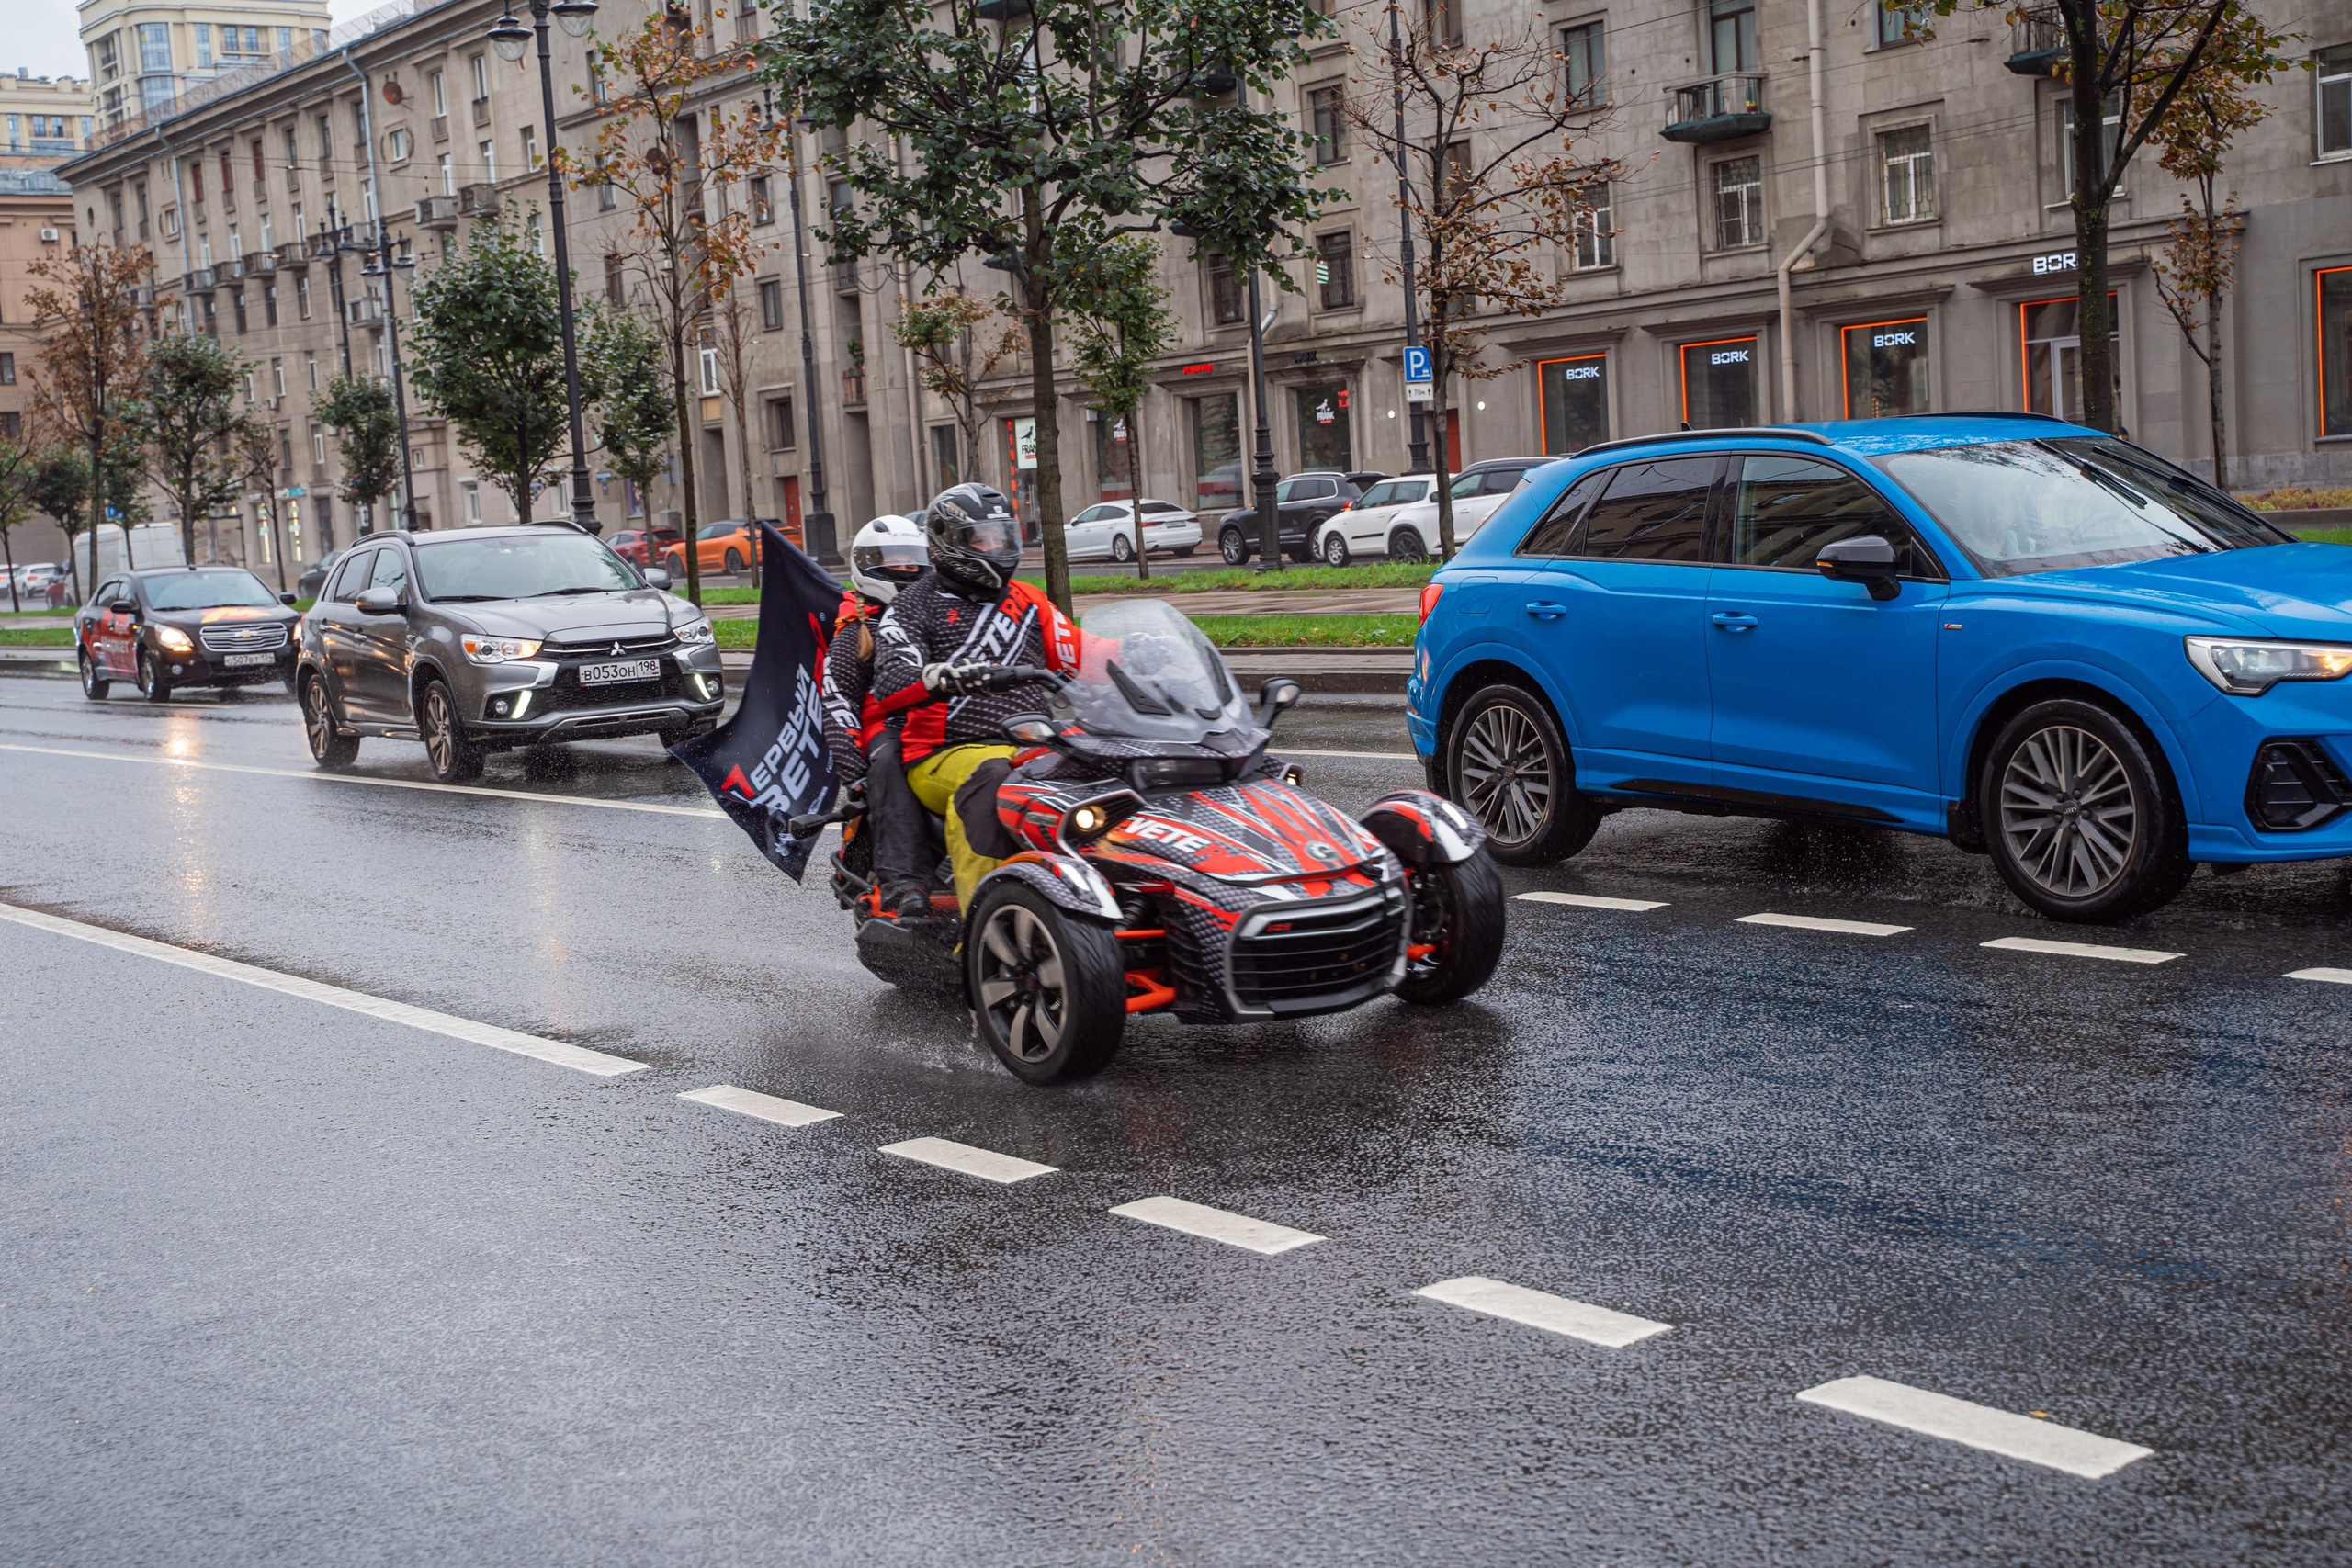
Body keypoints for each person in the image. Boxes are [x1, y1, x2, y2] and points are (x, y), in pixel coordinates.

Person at [870, 482, 1081, 912]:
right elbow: (892, 680)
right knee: (992, 778)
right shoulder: (913, 606)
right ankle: (981, 926)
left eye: (1000, 537)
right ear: (945, 541)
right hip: (943, 753)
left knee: (1112, 769)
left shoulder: (1030, 600)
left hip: (1035, 744)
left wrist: (1144, 658)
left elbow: (1080, 655)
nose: (994, 547)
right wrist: (939, 677)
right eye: (980, 539)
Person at [822, 515, 932, 918]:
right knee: (889, 761)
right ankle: (902, 881)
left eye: (913, 561)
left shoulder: (933, 616)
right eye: (896, 561)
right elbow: (836, 704)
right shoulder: (856, 630)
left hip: (938, 721)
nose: (906, 570)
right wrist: (856, 776)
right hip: (885, 730)